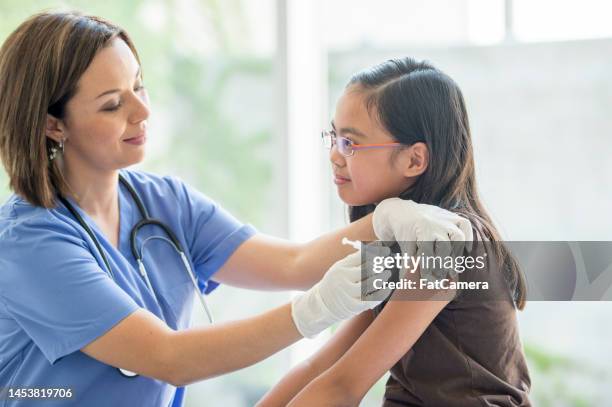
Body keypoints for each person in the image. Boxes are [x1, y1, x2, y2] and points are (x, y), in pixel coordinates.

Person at [0, 12, 473, 407]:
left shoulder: (164, 203)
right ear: (52, 124)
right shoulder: (28, 244)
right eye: (112, 105)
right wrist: (316, 309)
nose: (143, 112)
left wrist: (386, 219)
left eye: (139, 87)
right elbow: (168, 357)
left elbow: (294, 263)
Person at [258, 58, 531, 406]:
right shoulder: (397, 241)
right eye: (334, 137)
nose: (334, 155)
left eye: (350, 143)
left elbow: (343, 386)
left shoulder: (443, 244)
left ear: (415, 160)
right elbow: (324, 366)